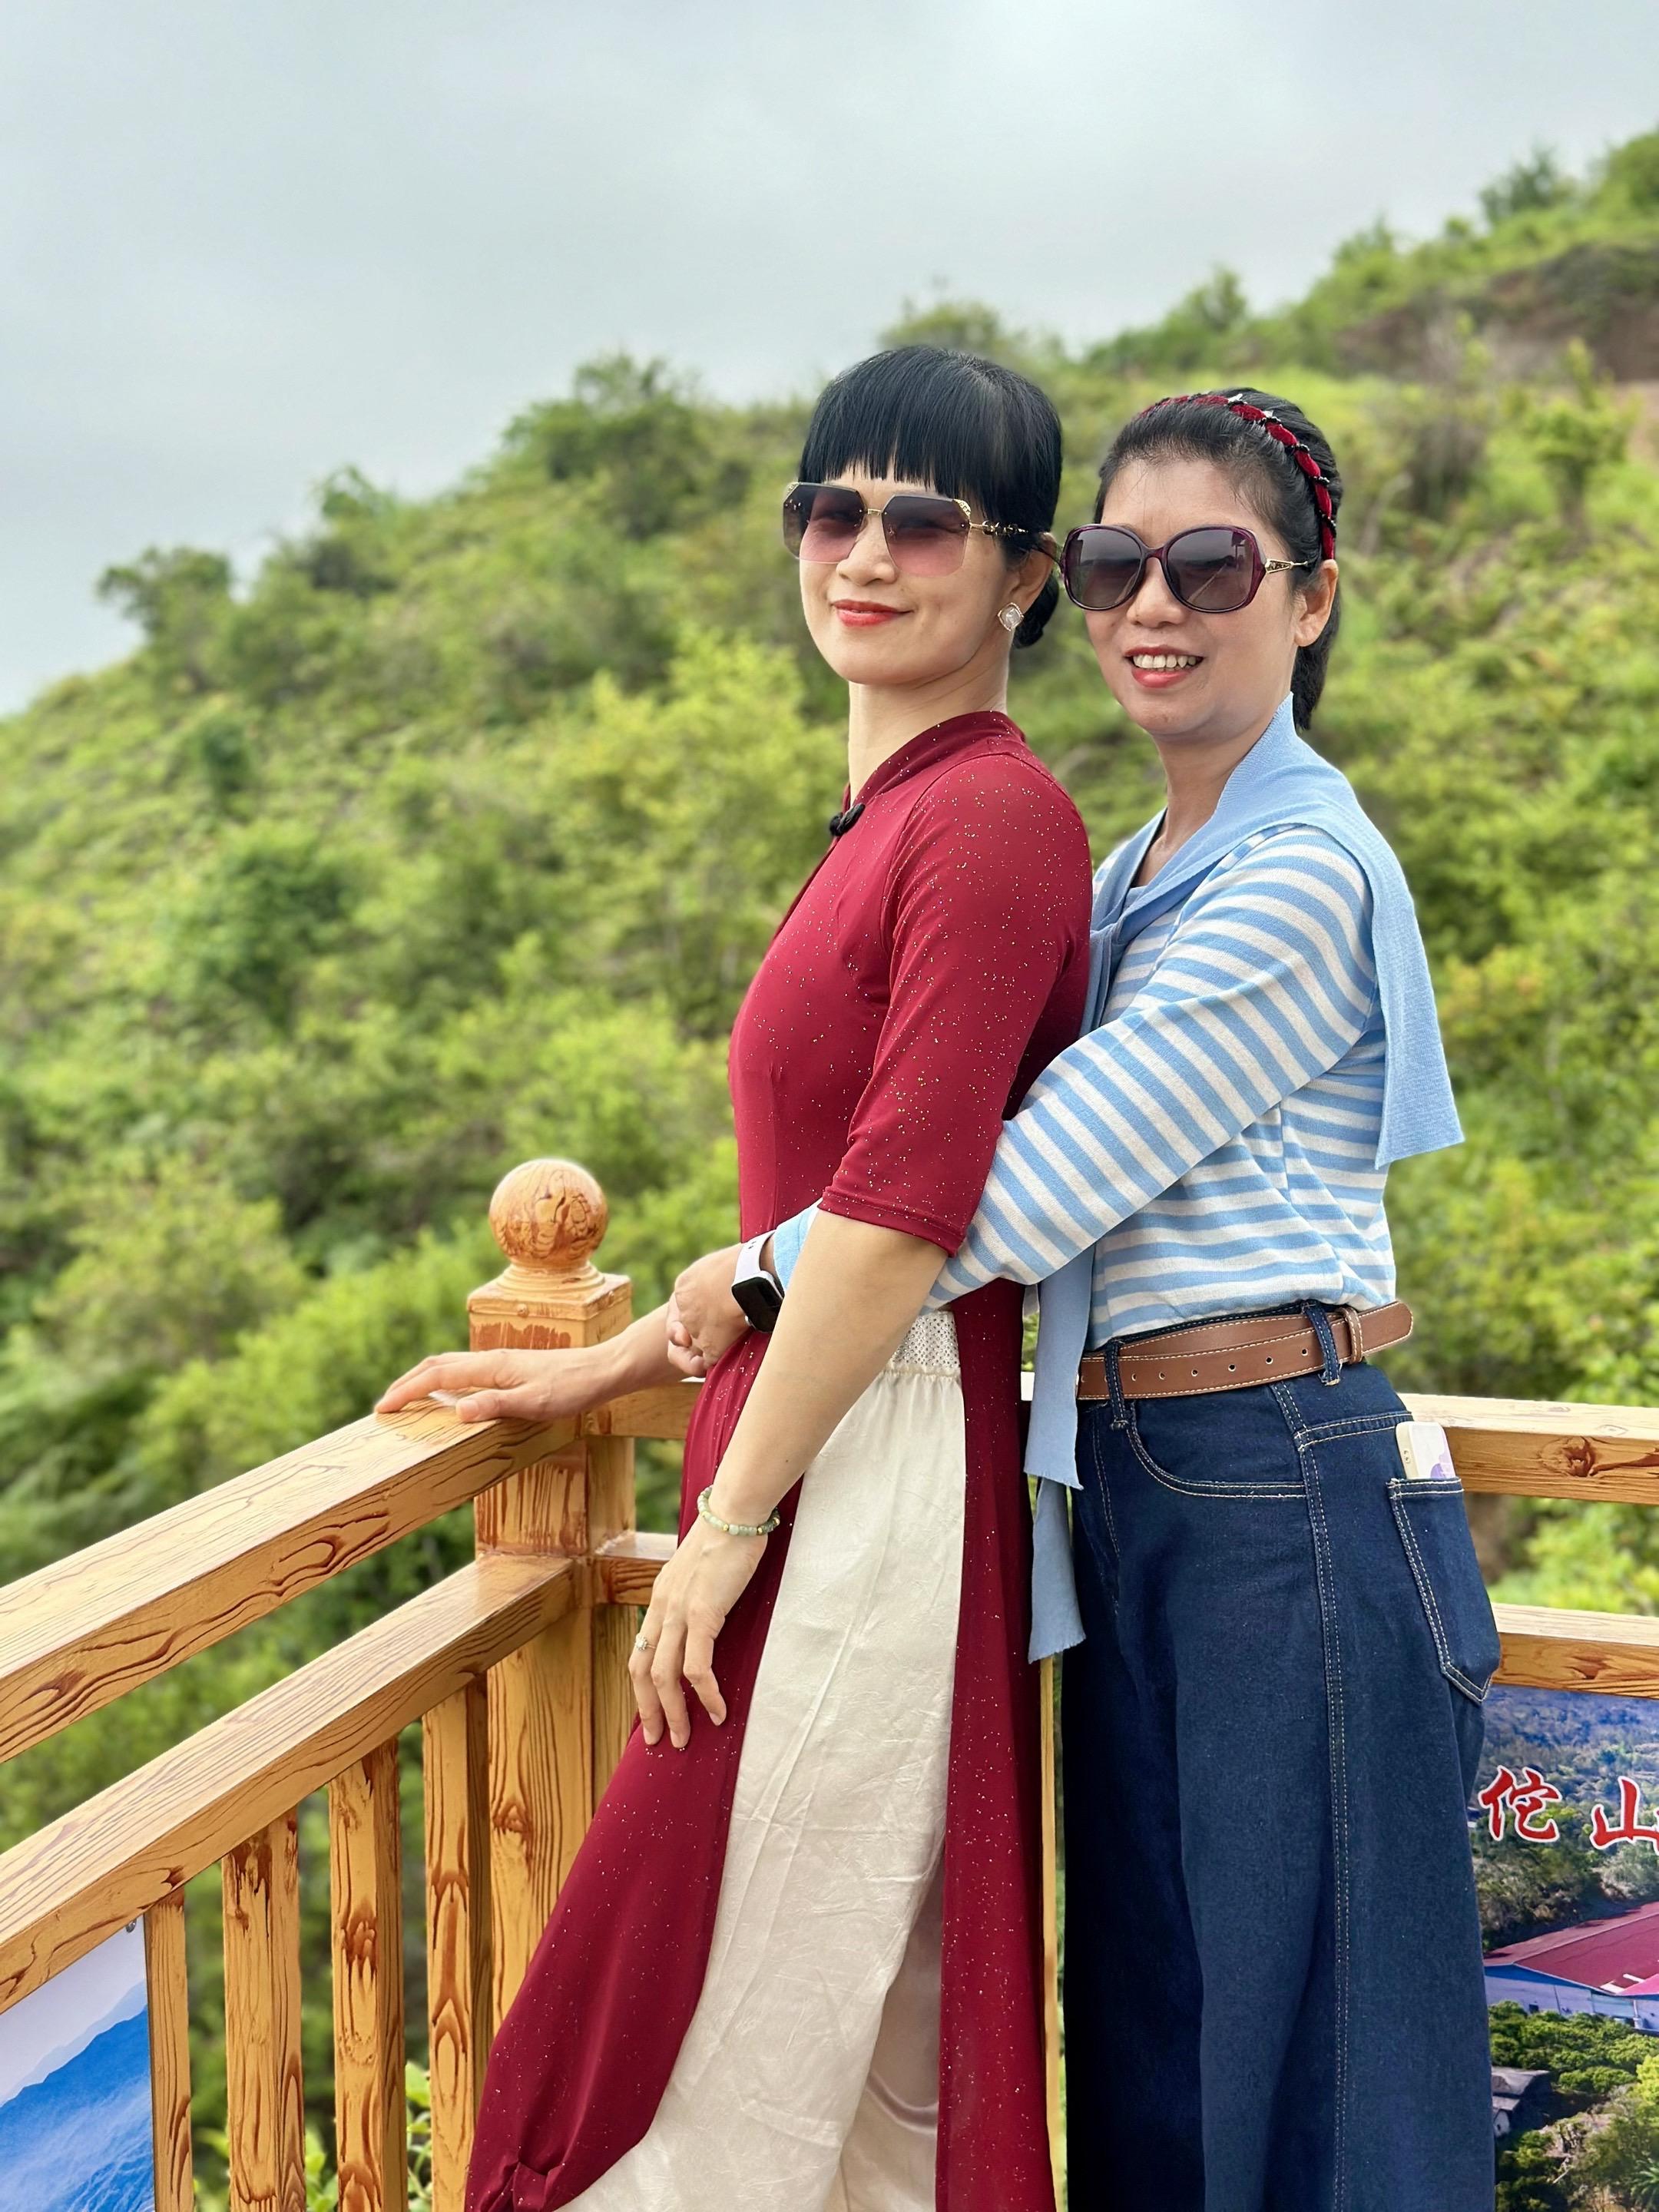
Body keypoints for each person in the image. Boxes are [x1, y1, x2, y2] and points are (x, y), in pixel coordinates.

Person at [671, 389, 1500, 2212]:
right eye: (1122, 562)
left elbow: (1022, 1189)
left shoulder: (1299, 876)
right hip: (1128, 1484)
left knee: (1322, 2077)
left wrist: (754, 1274)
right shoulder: (1131, 879)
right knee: (1159, 2051)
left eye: (1214, 566)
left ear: (1312, 599)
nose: (1154, 604)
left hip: (1280, 1476)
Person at [376, 344, 1093, 2212]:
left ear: (1024, 573)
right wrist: (596, 1375)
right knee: (792, 2040)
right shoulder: (898, 815)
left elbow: (898, 1222)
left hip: (868, 1478)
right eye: (828, 509)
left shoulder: (991, 820)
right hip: (813, 1443)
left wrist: (727, 1527)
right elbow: (810, 1225)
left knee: (713, 2035)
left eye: (923, 520)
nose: (864, 552)